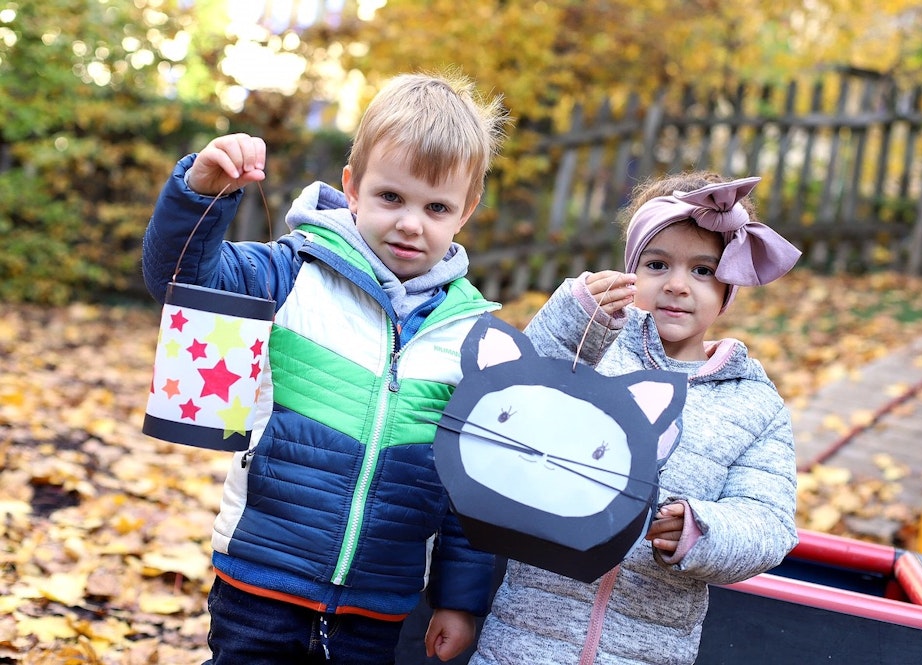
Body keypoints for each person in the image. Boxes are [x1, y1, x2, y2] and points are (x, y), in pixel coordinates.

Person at [142, 72, 519, 664]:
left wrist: (458, 601)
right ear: (352, 184)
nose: (411, 223)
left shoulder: (469, 336)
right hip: (262, 574)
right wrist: (202, 192)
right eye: (391, 197)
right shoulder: (293, 273)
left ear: (466, 211)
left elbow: (468, 486)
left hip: (378, 600)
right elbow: (183, 280)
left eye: (437, 206)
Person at [470, 172, 803, 665]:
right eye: (657, 264)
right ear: (631, 271)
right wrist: (571, 320)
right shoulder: (595, 349)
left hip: (647, 648)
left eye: (703, 271)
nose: (676, 285)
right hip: (526, 636)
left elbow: (770, 523)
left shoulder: (754, 405)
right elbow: (512, 402)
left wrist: (701, 528)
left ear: (728, 285)